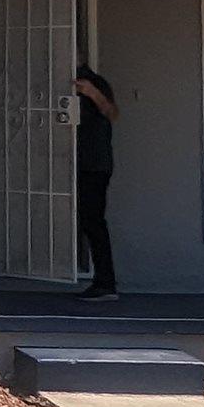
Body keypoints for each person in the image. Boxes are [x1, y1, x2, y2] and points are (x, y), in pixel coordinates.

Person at [72, 65, 119, 299]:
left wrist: (92, 92)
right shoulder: (57, 82)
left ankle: (105, 283)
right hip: (66, 163)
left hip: (94, 164)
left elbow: (113, 113)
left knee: (93, 221)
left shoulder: (95, 83)